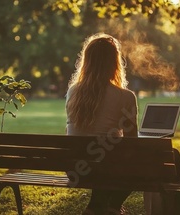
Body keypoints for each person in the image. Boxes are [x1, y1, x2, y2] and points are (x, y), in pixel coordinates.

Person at [65, 33, 138, 215]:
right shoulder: (125, 96)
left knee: (103, 160)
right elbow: (133, 141)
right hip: (107, 167)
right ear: (115, 63)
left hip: (75, 169)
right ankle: (112, 207)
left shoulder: (73, 92)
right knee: (135, 163)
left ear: (87, 61)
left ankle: (99, 207)